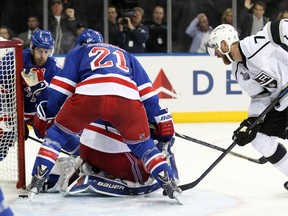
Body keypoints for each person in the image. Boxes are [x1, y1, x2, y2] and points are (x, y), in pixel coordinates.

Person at [28, 28, 181, 201]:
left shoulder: (78, 52)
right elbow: (150, 98)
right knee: (144, 145)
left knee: (57, 134)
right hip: (126, 100)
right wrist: (157, 121)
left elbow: (58, 92)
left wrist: (49, 114)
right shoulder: (125, 54)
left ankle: (37, 179)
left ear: (80, 45)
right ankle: (169, 184)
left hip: (89, 99)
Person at [207, 19, 288, 187]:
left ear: (224, 44)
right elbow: (260, 96)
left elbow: (281, 26)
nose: (217, 56)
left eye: (216, 51)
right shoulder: (237, 70)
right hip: (283, 99)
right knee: (260, 140)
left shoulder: (253, 45)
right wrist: (251, 121)